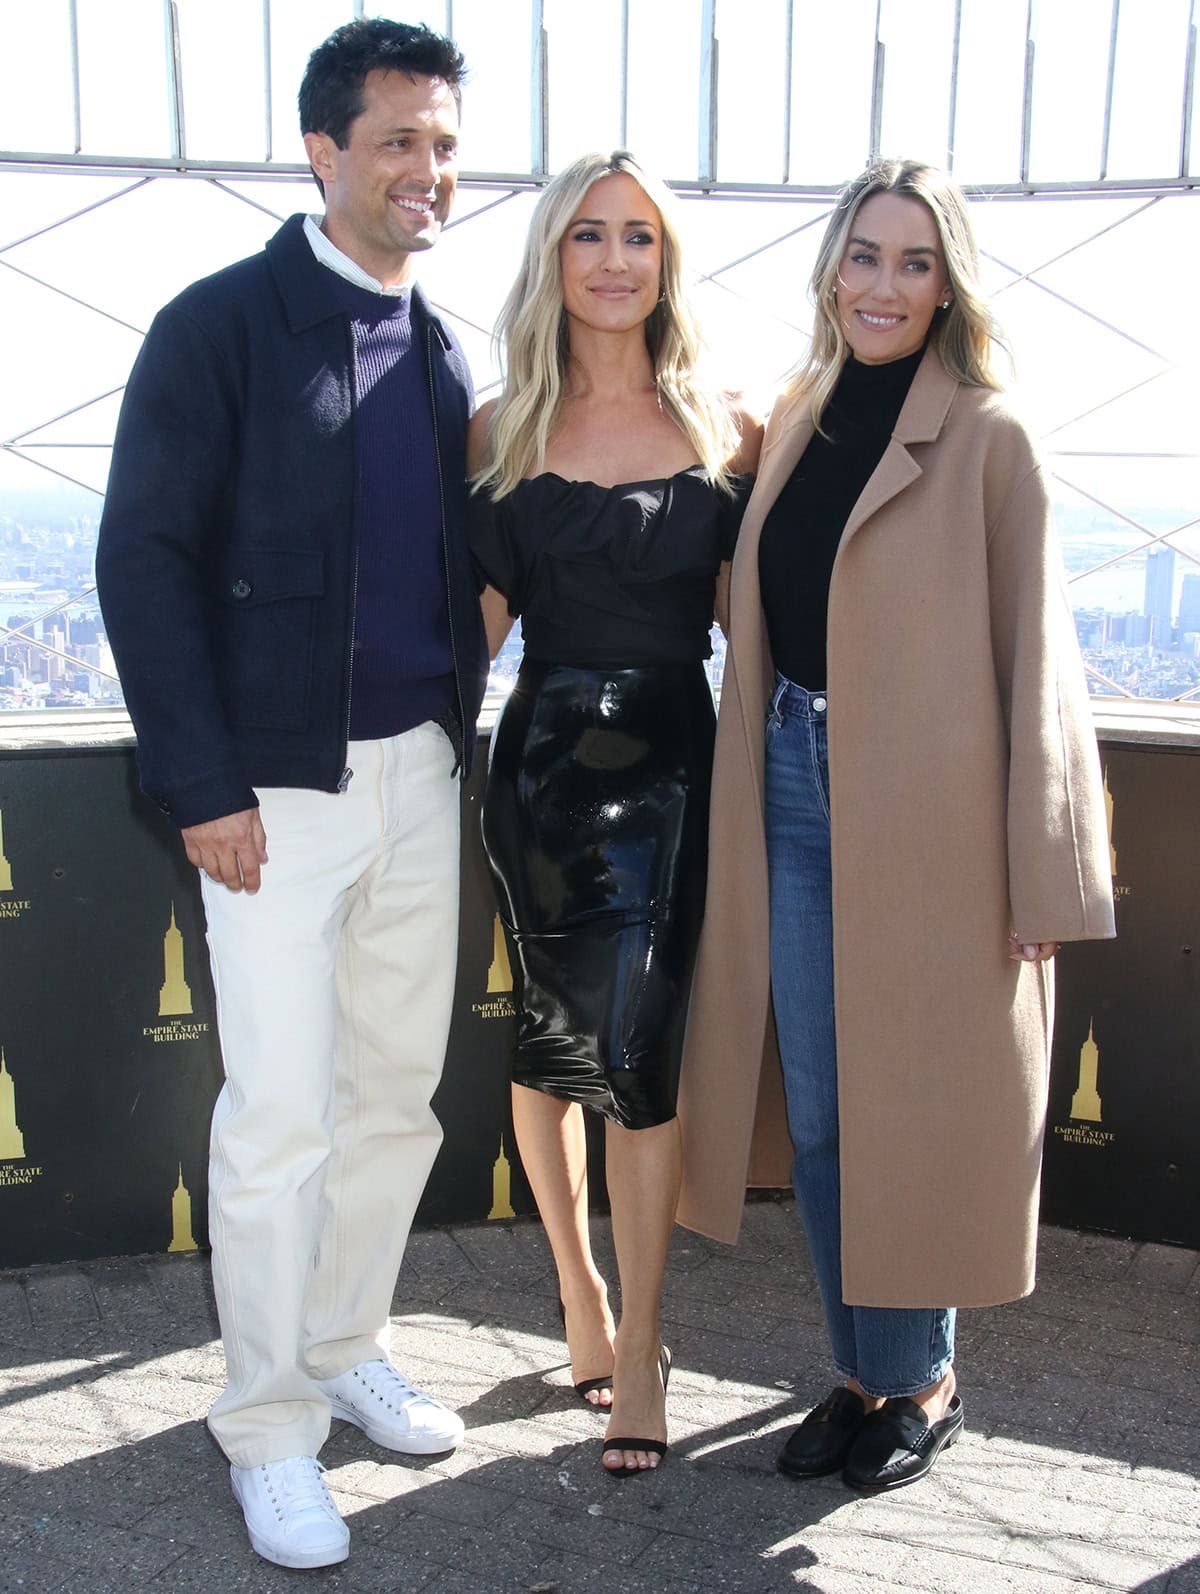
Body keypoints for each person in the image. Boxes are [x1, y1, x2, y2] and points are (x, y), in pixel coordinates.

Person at [96, 18, 487, 1571]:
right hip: (268, 794)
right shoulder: (218, 329)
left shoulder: (452, 347)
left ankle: (339, 1348)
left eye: (443, 144)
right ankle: (264, 1424)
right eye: (397, 140)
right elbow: (143, 558)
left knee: (394, 1102)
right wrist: (202, 782)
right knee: (277, 1123)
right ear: (322, 151)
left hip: (419, 777)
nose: (426, 171)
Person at [676, 159, 1115, 1494]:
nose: (883, 284)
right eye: (863, 256)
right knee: (820, 1110)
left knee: (908, 1105)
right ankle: (860, 1368)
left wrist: (1045, 876)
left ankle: (923, 1374)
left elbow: (1043, 664)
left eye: (914, 262)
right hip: (793, 788)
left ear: (949, 284)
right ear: (831, 270)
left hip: (930, 821)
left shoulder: (993, 437)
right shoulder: (798, 415)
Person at [468, 151, 761, 1478]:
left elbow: (757, 630)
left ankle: (641, 1343)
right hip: (536, 776)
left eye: (638, 236)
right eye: (588, 234)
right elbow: (470, 633)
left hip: (670, 777)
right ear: (553, 256)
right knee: (550, 1043)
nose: (613, 259)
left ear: (666, 263)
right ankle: (579, 1293)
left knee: (635, 1056)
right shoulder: (499, 428)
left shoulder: (723, 423)